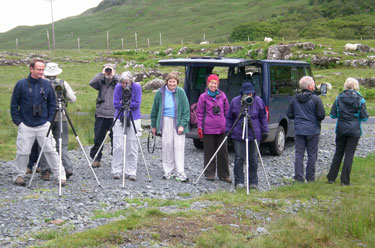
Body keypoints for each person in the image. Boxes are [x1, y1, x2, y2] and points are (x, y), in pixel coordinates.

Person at [10, 58, 66, 186]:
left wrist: (49, 120)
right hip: (26, 125)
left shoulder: (46, 84)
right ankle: (18, 176)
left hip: (43, 124)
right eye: (39, 69)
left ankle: (60, 176)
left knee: (51, 151)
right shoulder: (21, 84)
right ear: (31, 69)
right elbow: (14, 105)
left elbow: (52, 103)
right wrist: (19, 122)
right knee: (23, 152)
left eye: (42, 69)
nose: (41, 72)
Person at [36, 62, 77, 181]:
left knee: (44, 144)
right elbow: (73, 99)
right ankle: (67, 168)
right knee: (62, 144)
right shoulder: (63, 83)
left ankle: (45, 171)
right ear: (58, 72)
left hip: (44, 118)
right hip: (61, 116)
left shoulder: (40, 84)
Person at [327, 78, 369, 186]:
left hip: (341, 128)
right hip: (354, 130)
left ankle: (331, 178)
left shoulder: (339, 97)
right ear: (356, 86)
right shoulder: (360, 99)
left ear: (345, 85)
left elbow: (332, 115)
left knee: (338, 152)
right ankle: (345, 181)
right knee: (349, 154)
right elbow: (364, 118)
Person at [226, 82, 268, 189]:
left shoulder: (258, 101)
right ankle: (239, 181)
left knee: (253, 158)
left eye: (250, 93)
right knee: (239, 158)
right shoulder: (235, 101)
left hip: (254, 133)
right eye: (246, 93)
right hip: (238, 134)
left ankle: (253, 182)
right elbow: (230, 117)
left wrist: (264, 131)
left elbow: (263, 117)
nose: (248, 95)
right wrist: (228, 131)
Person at [150, 71, 190, 182]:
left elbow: (186, 111)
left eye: (174, 82)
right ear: (167, 82)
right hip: (165, 121)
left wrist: (182, 124)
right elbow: (155, 110)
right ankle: (168, 171)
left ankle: (180, 172)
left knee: (178, 146)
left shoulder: (181, 92)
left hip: (178, 122)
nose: (172, 84)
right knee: (167, 145)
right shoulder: (160, 93)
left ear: (177, 82)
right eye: (170, 81)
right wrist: (154, 125)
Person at [287, 76, 325, 183]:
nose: (314, 86)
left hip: (299, 130)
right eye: (313, 84)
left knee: (299, 154)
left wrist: (298, 117)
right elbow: (321, 115)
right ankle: (310, 177)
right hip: (313, 130)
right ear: (309, 86)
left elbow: (289, 114)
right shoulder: (316, 99)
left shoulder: (294, 99)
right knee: (312, 154)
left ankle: (299, 177)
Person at [196, 74, 231, 183]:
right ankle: (209, 174)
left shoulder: (222, 95)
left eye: (215, 83)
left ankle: (224, 175)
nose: (213, 85)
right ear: (208, 83)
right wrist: (199, 127)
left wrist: (228, 125)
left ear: (217, 84)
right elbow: (199, 113)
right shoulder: (203, 97)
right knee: (209, 151)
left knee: (223, 152)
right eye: (211, 83)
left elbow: (227, 111)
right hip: (208, 129)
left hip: (221, 128)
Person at [111, 71, 142, 180]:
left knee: (132, 145)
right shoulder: (118, 87)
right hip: (119, 117)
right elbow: (115, 104)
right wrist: (123, 104)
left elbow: (137, 104)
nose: (125, 85)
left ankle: (131, 171)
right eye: (123, 83)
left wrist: (125, 104)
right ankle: (116, 170)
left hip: (134, 117)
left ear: (131, 81)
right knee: (118, 145)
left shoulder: (137, 87)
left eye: (127, 82)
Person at [89, 64, 119, 167]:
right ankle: (96, 158)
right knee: (98, 138)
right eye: (107, 70)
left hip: (114, 115)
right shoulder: (100, 82)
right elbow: (91, 83)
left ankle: (116, 159)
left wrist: (114, 75)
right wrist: (101, 73)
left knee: (115, 138)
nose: (108, 72)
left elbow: (125, 83)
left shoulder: (117, 83)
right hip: (101, 114)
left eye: (110, 70)